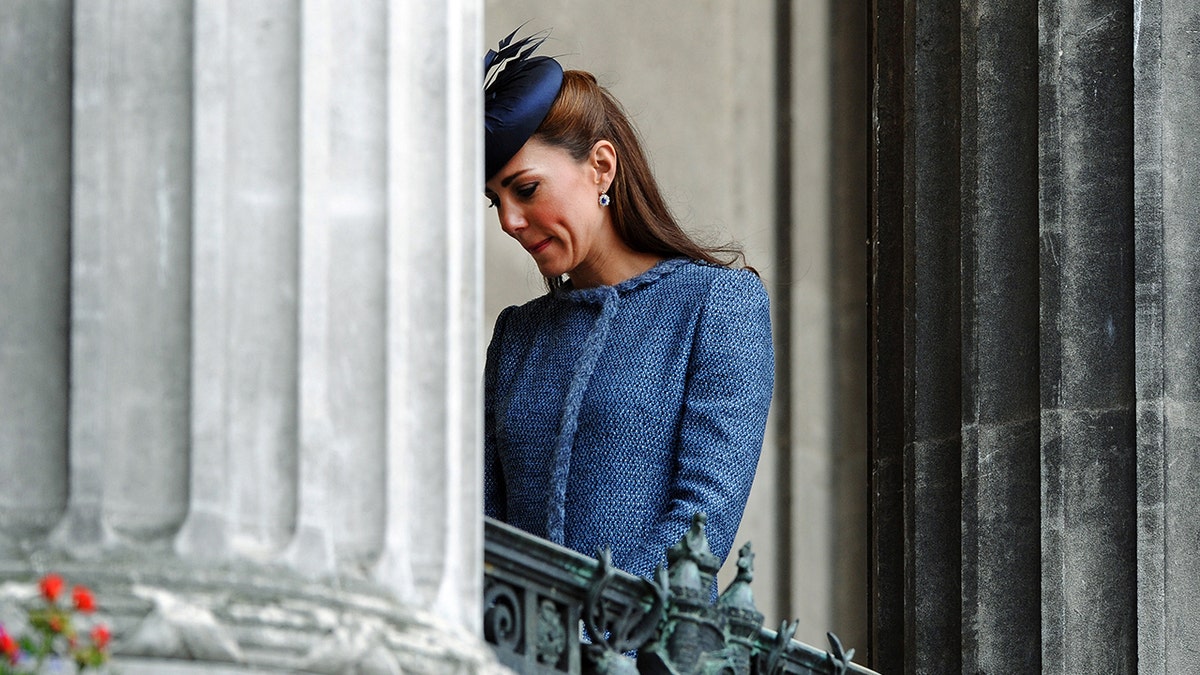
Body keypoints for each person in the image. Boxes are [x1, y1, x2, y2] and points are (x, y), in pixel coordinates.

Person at [482, 30, 774, 582]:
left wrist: (597, 627)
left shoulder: (717, 305)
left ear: (601, 166)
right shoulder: (516, 336)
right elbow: (483, 529)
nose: (509, 221)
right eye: (495, 200)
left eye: (526, 189)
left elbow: (699, 529)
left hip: (653, 635)